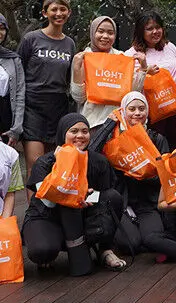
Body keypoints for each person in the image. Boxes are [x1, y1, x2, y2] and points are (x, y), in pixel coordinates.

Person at [22, 113, 126, 275]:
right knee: (42, 250)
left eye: (85, 131)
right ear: (63, 134)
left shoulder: (98, 161)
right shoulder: (45, 162)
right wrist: (63, 165)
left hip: (81, 214)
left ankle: (104, 249)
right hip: (47, 216)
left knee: (113, 198)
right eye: (74, 131)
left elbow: (106, 194)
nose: (80, 135)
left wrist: (84, 197)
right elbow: (48, 202)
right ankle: (50, 250)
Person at [95, 91, 176, 261]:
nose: (137, 113)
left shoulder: (157, 139)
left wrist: (140, 173)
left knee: (153, 239)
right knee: (130, 244)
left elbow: (166, 176)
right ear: (123, 111)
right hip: (122, 203)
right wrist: (108, 125)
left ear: (147, 111)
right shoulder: (113, 141)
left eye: (141, 108)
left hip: (147, 202)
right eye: (132, 109)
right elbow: (91, 155)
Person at [18, 0, 75, 169]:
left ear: (69, 12)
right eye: (54, 9)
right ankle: (33, 190)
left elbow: (70, 78)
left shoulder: (70, 44)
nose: (59, 13)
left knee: (53, 164)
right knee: (36, 164)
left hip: (58, 106)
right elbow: (18, 71)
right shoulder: (31, 39)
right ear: (45, 13)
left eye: (63, 9)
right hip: (33, 106)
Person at [71, 16, 146, 133]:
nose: (105, 36)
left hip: (118, 124)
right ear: (92, 32)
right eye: (100, 31)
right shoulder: (82, 58)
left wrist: (143, 69)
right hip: (92, 124)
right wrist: (77, 70)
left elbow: (131, 94)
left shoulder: (121, 58)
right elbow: (79, 98)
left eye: (110, 33)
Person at [126, 12, 176, 149]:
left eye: (158, 27)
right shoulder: (132, 54)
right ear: (141, 31)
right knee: (153, 150)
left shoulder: (170, 47)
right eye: (149, 29)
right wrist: (145, 70)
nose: (155, 32)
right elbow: (130, 88)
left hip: (172, 108)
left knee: (171, 150)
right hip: (149, 112)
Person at [0, 14, 25, 146]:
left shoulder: (13, 59)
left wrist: (16, 128)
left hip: (5, 121)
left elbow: (20, 93)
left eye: (2, 28)